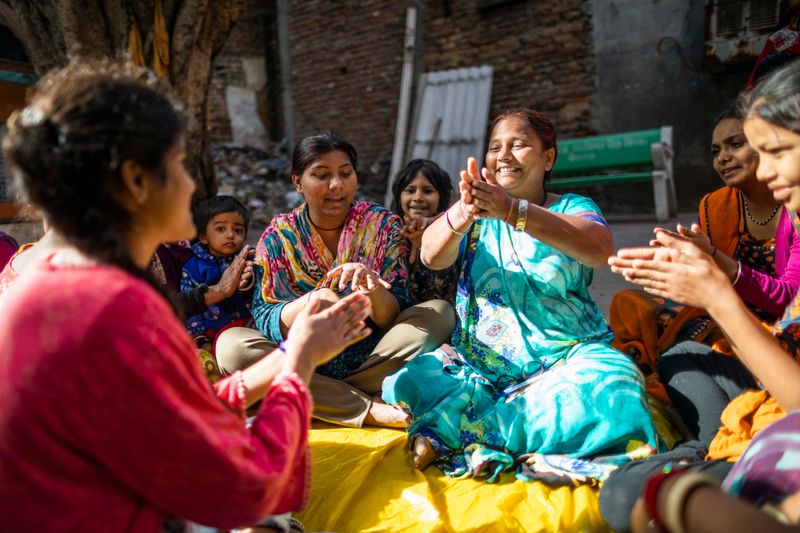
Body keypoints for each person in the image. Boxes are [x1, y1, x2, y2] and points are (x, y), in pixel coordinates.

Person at [0, 60, 374, 531]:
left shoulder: (43, 274)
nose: (192, 183)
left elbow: (173, 413)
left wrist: (287, 356)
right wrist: (299, 362)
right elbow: (248, 485)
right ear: (136, 181)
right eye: (178, 164)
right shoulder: (115, 309)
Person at [381, 108, 658, 479]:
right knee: (407, 379)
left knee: (616, 384)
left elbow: (597, 248)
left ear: (548, 157)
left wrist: (513, 211)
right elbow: (431, 256)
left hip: (567, 361)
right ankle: (516, 432)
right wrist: (465, 211)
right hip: (482, 366)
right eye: (495, 147)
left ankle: (471, 433)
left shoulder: (571, 208)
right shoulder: (474, 217)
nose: (504, 156)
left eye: (519, 145)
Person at [607, 61, 800, 532]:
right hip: (760, 336)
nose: (759, 164)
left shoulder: (788, 210)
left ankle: (709, 454)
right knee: (675, 345)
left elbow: (782, 295)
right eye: (720, 149)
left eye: (770, 149)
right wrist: (702, 272)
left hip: (768, 345)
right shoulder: (717, 205)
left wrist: (719, 289)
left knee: (622, 490)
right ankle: (711, 447)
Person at [215, 132, 455, 428]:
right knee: (231, 347)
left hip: (371, 357)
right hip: (304, 357)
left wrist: (372, 289)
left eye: (345, 173)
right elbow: (265, 316)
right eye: (321, 175)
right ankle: (366, 405)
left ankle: (321, 397)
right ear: (297, 182)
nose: (337, 185)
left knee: (439, 313)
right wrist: (310, 303)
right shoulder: (278, 237)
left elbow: (396, 312)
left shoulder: (381, 225)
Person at [610, 107, 800, 404]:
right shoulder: (714, 205)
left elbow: (788, 298)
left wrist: (715, 265)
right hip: (729, 312)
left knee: (679, 355)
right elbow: (709, 284)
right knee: (630, 305)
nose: (723, 157)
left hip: (775, 326)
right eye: (716, 150)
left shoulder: (794, 207)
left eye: (736, 144)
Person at [181, 195, 254, 353]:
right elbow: (191, 309)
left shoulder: (249, 259)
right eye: (221, 228)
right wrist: (199, 339)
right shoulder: (193, 268)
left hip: (247, 327)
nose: (230, 235)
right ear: (203, 237)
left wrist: (247, 281)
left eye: (238, 230)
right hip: (211, 334)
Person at [390, 158, 457, 304]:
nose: (418, 198)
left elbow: (443, 292)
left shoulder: (454, 233)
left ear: (441, 197)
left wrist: (425, 246)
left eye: (427, 191)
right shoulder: (388, 233)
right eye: (410, 190)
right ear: (399, 195)